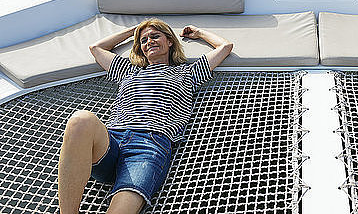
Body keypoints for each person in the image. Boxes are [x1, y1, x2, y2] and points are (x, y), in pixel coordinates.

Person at [57, 19, 233, 213]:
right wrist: (133, 31)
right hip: (111, 140)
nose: (149, 41)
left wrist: (198, 32)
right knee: (81, 120)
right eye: (144, 40)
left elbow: (225, 46)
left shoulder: (187, 74)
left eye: (155, 36)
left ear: (170, 41)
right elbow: (96, 48)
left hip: (149, 145)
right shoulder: (128, 71)